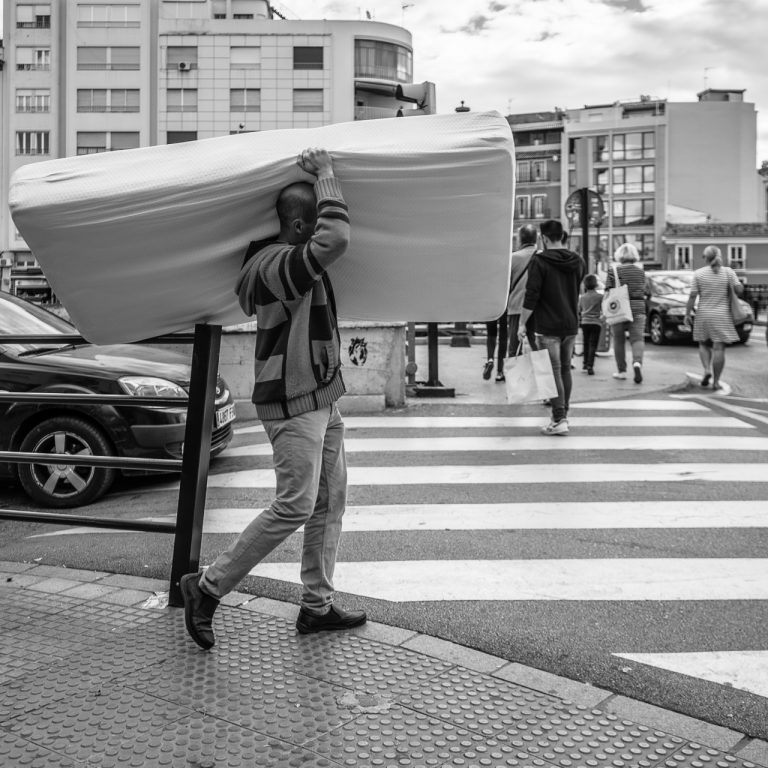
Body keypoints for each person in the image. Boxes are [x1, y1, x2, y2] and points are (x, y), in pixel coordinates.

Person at [180, 147, 366, 650]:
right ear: (301, 226)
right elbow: (338, 237)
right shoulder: (277, 267)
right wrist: (327, 175)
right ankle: (207, 587)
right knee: (294, 505)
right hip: (294, 401)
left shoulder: (285, 260)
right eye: (317, 217)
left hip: (320, 397)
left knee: (329, 503)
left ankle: (316, 607)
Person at [518, 219, 585, 436]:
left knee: (552, 371)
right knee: (565, 369)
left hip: (548, 325)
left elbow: (532, 295)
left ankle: (559, 418)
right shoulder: (578, 261)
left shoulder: (540, 261)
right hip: (571, 324)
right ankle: (562, 415)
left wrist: (522, 322)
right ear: (563, 236)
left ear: (544, 238)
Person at [685, 245, 743, 390]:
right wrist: (735, 283)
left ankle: (706, 370)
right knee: (719, 348)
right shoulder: (728, 272)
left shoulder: (698, 274)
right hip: (722, 315)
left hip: (704, 314)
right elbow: (739, 290)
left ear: (706, 258)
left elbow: (692, 295)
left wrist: (687, 313)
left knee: (703, 344)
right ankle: (716, 382)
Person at [605, 243, 646, 383]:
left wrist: (603, 310)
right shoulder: (641, 271)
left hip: (619, 307)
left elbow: (608, 291)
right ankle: (637, 363)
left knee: (618, 339)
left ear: (620, 255)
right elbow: (645, 290)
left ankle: (621, 371)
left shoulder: (614, 270)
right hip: (638, 307)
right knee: (637, 338)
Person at [506, 224, 539, 356]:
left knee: (514, 348)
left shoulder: (512, 258)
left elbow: (506, 286)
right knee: (538, 349)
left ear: (520, 239)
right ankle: (541, 375)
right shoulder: (542, 257)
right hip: (537, 309)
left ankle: (516, 376)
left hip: (516, 308)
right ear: (536, 239)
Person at [578, 274, 602, 375]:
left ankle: (584, 363)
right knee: (593, 344)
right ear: (596, 284)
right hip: (596, 323)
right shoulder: (600, 297)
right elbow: (604, 309)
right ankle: (590, 366)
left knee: (586, 343)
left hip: (585, 322)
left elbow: (579, 310)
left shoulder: (582, 298)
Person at [482, 313, 508, 382]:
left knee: (491, 333)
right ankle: (500, 372)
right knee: (503, 336)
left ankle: (490, 360)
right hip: (504, 306)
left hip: (491, 306)